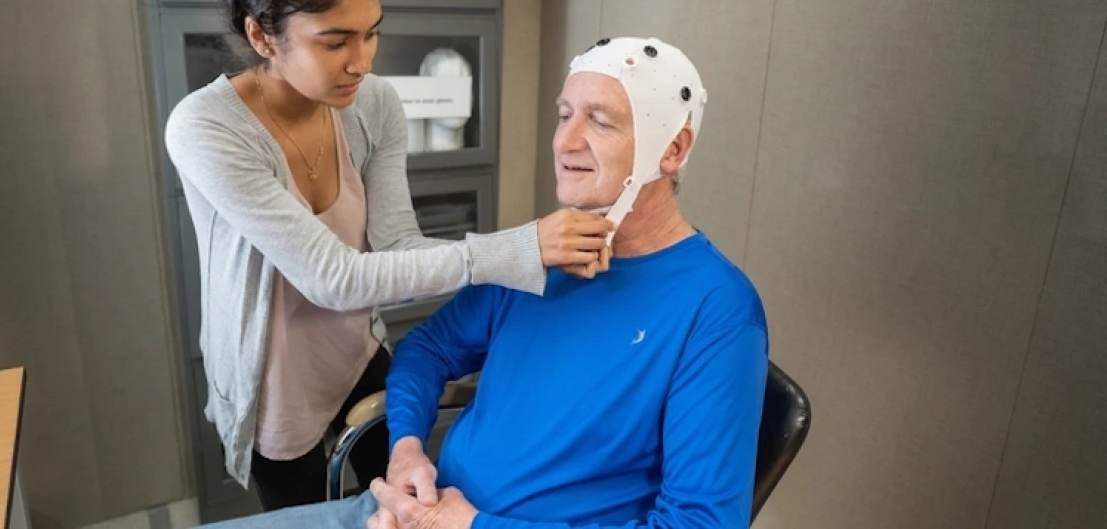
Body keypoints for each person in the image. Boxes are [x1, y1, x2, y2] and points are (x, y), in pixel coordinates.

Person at [194, 36, 769, 529]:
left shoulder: (716, 309)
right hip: (412, 507)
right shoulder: (543, 256)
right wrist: (407, 450)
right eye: (564, 114)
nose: (564, 143)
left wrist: (471, 524)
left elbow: (698, 523)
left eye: (598, 121)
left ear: (673, 148)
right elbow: (428, 348)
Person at [163, 0, 612, 513]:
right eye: (335, 42)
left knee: (399, 502)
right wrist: (516, 249)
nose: (363, 60)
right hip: (275, 384)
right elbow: (334, 277)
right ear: (261, 35)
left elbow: (398, 245)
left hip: (354, 353)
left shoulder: (373, 105)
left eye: (372, 32)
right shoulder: (206, 128)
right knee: (307, 517)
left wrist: (524, 258)